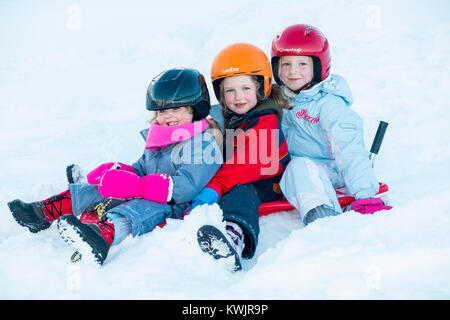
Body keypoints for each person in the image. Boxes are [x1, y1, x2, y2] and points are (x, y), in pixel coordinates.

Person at [7, 68, 223, 265]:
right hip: (147, 192)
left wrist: (138, 187)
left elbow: (187, 187)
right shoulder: (159, 137)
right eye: (161, 112)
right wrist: (121, 172)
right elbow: (142, 167)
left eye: (176, 109)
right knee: (98, 189)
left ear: (195, 110)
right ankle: (43, 212)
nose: (167, 117)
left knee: (134, 210)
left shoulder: (202, 143)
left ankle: (101, 236)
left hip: (175, 207)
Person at [270, 24, 391, 226]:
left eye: (302, 64)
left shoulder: (329, 105)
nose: (292, 72)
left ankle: (323, 218)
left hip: (327, 170)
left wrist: (365, 194)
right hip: (287, 170)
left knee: (299, 167)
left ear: (319, 66)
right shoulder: (278, 97)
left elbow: (350, 150)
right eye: (286, 64)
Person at [189, 43, 290, 271]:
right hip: (230, 176)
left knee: (241, 193)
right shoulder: (229, 116)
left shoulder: (266, 121)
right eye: (230, 91)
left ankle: (234, 235)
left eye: (245, 88)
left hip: (264, 184)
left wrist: (214, 187)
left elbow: (244, 167)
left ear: (260, 88)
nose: (238, 97)